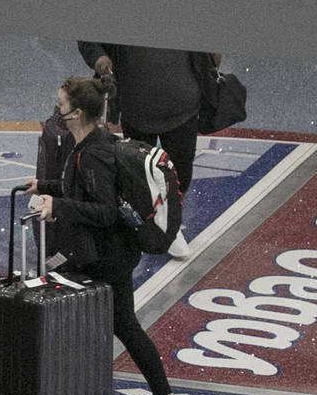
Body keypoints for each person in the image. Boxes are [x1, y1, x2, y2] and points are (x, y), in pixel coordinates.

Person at [27, 75, 188, 395]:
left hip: (107, 256)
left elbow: (103, 210)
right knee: (120, 323)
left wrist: (58, 206)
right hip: (111, 252)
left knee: (121, 324)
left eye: (61, 107)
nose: (57, 113)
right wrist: (47, 187)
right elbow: (86, 187)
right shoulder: (92, 143)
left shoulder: (92, 153)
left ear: (78, 113)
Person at [76, 43, 217, 259]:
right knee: (136, 174)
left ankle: (171, 224)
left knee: (180, 172)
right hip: (136, 107)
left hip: (184, 107)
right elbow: (89, 37)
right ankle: (143, 224)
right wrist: (99, 59)